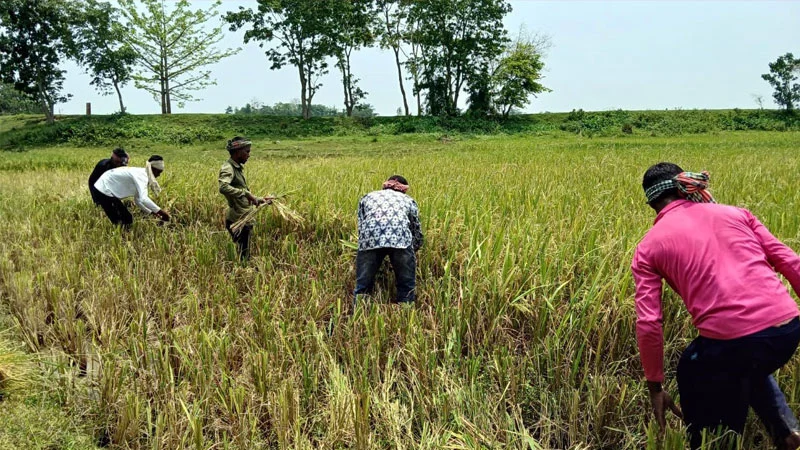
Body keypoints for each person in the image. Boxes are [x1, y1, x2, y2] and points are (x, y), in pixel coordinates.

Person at [632, 162, 800, 449]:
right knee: (744, 362)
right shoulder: (737, 214)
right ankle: (786, 432)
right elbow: (790, 261)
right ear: (687, 188)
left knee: (695, 364)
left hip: (737, 342)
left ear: (652, 204)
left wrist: (655, 388)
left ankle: (708, 442)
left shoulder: (648, 247)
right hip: (788, 330)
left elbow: (649, 323)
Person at [354, 175, 423, 305]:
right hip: (400, 240)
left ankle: (359, 312)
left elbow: (361, 224)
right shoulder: (408, 200)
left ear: (385, 186)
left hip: (370, 239)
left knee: (363, 284)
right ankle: (406, 313)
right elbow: (415, 229)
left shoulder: (368, 197)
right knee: (406, 284)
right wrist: (414, 249)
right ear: (403, 190)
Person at [218, 137, 269, 261]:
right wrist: (245, 193)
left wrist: (260, 199)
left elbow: (244, 195)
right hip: (238, 219)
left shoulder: (236, 168)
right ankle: (242, 272)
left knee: (242, 251)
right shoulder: (228, 168)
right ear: (237, 152)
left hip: (243, 217)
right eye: (247, 151)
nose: (249, 155)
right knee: (243, 255)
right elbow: (223, 187)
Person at [93, 155, 170, 227]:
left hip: (105, 188)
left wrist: (152, 213)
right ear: (152, 169)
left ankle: (123, 234)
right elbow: (144, 199)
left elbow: (138, 200)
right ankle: (122, 237)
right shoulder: (142, 176)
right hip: (102, 190)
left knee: (126, 218)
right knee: (123, 220)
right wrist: (163, 213)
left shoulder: (142, 173)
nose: (159, 175)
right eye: (158, 172)